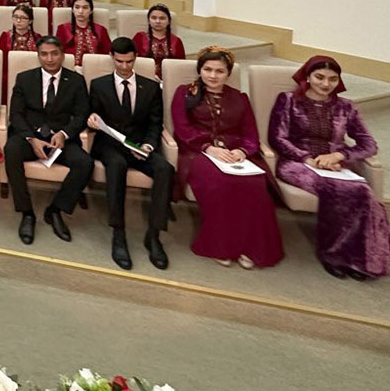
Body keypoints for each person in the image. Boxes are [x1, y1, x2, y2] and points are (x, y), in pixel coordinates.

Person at [268, 55, 386, 279]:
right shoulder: (289, 100)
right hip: (296, 163)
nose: (325, 84)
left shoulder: (346, 107)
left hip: (335, 164)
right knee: (334, 189)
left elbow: (369, 144)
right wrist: (306, 158)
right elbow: (278, 138)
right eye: (319, 77)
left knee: (362, 190)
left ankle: (358, 258)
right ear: (308, 77)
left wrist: (340, 155)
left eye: (332, 79)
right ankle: (333, 255)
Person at [171, 47, 284, 268]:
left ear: (228, 73)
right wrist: (209, 148)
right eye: (207, 69)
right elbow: (182, 129)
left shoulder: (239, 98)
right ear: (200, 70)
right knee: (221, 183)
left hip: (234, 153)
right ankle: (221, 245)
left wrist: (243, 151)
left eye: (220, 71)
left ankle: (252, 247)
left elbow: (251, 135)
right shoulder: (185, 93)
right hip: (197, 152)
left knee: (255, 184)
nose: (213, 75)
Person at [87, 38, 173, 270]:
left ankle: (153, 235)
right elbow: (91, 115)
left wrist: (148, 146)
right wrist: (91, 120)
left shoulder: (151, 87)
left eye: (129, 61)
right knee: (116, 166)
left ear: (135, 58)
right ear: (112, 58)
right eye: (119, 61)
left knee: (165, 169)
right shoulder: (98, 85)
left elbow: (155, 123)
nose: (124, 66)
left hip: (139, 144)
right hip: (110, 145)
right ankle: (118, 233)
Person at [4, 36, 91, 245]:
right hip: (31, 137)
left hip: (60, 139)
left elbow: (82, 115)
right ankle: (27, 213)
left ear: (62, 55)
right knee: (11, 150)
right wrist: (31, 138)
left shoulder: (76, 80)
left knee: (84, 163)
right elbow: (15, 114)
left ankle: (56, 210)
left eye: (54, 54)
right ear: (38, 56)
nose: (49, 59)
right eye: (44, 54)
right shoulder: (24, 78)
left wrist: (64, 134)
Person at [55, 0, 110, 67]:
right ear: (72, 10)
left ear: (91, 11)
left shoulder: (101, 30)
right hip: (70, 69)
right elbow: (57, 52)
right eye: (77, 7)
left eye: (85, 8)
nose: (80, 11)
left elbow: (107, 54)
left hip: (96, 68)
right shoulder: (63, 29)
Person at [132, 3, 186, 79]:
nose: (157, 21)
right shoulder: (140, 37)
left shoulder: (176, 41)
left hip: (170, 79)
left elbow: (181, 66)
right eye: (154, 18)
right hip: (143, 78)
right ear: (148, 20)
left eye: (162, 18)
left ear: (169, 21)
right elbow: (131, 60)